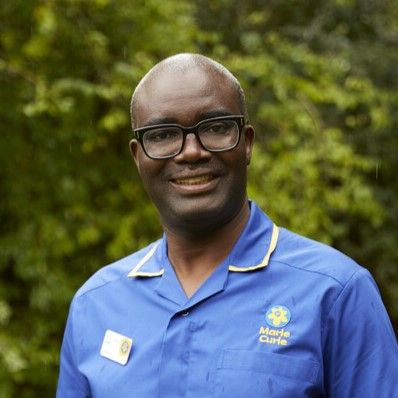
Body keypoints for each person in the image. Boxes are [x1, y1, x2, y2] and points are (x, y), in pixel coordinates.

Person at [57, 53, 398, 398]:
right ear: (138, 156)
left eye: (216, 128)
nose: (191, 152)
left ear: (247, 143)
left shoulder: (335, 293)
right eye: (162, 135)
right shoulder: (96, 305)